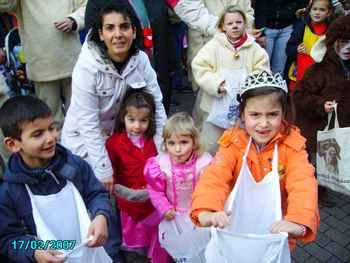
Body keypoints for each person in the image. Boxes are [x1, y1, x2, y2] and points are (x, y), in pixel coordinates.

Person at [190, 71, 319, 256]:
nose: (263, 123)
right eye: (255, 114)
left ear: (283, 113)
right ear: (243, 114)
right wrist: (206, 210)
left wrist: (298, 220)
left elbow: (303, 183)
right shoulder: (233, 142)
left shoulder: (292, 146)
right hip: (234, 226)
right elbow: (215, 177)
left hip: (277, 228)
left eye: (272, 114)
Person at [0, 96, 122, 263]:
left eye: (52, 128)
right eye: (38, 134)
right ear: (13, 144)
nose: (50, 138)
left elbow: (97, 194)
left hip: (88, 249)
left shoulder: (74, 165)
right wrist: (33, 252)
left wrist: (101, 215)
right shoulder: (9, 191)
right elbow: (9, 240)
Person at [61, 3, 167, 192]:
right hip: (84, 142)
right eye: (110, 28)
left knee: (133, 193)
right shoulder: (87, 67)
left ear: (134, 32)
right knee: (99, 194)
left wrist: (162, 156)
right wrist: (103, 168)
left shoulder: (140, 60)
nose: (118, 34)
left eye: (124, 27)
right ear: (101, 34)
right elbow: (88, 123)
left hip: (122, 138)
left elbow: (157, 107)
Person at [192, 7, 270, 155]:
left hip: (243, 106)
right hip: (215, 106)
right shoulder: (214, 46)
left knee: (242, 144)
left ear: (245, 24)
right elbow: (199, 66)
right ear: (223, 26)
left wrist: (250, 86)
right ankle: (210, 171)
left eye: (238, 22)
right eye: (230, 23)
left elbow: (262, 69)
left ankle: (240, 171)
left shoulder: (253, 48)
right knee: (211, 144)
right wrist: (215, 83)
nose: (234, 26)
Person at [294, 14, 350, 206]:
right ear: (332, 42)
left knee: (331, 163)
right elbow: (299, 95)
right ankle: (313, 193)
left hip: (341, 129)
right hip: (318, 129)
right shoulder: (320, 69)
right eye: (343, 42)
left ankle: (324, 188)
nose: (348, 48)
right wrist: (320, 105)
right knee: (316, 164)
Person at [0, 0, 86, 124]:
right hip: (41, 64)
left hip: (71, 60)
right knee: (50, 118)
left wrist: (73, 20)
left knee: (78, 114)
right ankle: (55, 142)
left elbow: (86, 5)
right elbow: (5, 5)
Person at [106, 90, 166, 262]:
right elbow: (111, 171)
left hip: (153, 199)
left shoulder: (155, 140)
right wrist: (119, 191)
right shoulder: (114, 143)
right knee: (134, 235)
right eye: (131, 120)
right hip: (129, 200)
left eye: (143, 120)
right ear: (123, 118)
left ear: (151, 120)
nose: (137, 126)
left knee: (154, 234)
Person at [144, 112, 212, 262]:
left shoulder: (204, 163)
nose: (177, 149)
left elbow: (209, 189)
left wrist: (205, 208)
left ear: (194, 142)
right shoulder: (161, 165)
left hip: (198, 215)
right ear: (165, 143)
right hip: (172, 215)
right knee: (172, 247)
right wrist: (164, 208)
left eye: (183, 142)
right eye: (171, 143)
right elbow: (155, 191)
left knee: (201, 249)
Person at [286, 0, 333, 93]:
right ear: (309, 10)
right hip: (299, 75)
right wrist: (296, 49)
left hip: (319, 76)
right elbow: (289, 49)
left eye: (322, 10)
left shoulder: (331, 30)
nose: (317, 12)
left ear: (329, 13)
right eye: (314, 9)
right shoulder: (302, 26)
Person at [254, 0, 309, 74]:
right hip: (267, 29)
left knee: (279, 69)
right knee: (262, 67)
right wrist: (261, 32)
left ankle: (277, 85)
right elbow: (260, 6)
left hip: (287, 28)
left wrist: (300, 10)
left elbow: (302, 4)